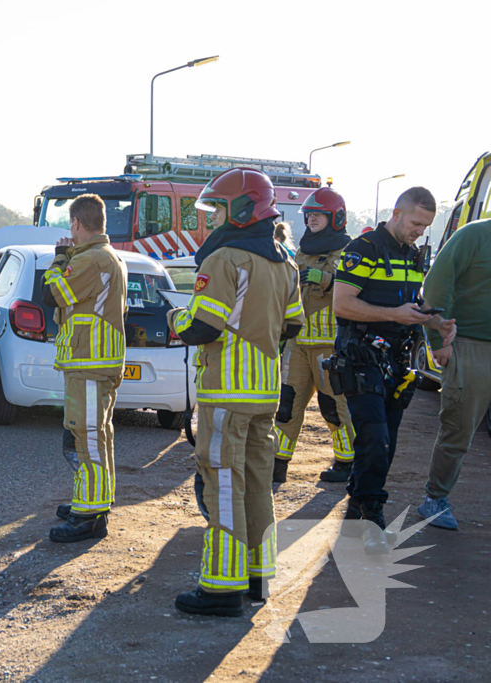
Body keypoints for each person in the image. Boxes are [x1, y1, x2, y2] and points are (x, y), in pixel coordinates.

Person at [167, 168, 304, 617]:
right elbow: (295, 324)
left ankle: (222, 588)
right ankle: (257, 576)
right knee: (257, 483)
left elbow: (202, 325)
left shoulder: (224, 258)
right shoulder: (286, 260)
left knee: (224, 484)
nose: (213, 219)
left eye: (219, 209)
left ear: (243, 209)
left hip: (227, 391)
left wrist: (175, 322)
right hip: (265, 389)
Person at [329, 187, 456, 554]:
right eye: (416, 223)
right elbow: (343, 305)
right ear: (397, 213)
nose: (420, 231)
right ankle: (372, 520)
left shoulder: (412, 255)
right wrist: (393, 315)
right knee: (375, 439)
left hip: (396, 363)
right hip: (361, 358)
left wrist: (437, 322)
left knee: (387, 443)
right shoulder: (363, 249)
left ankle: (355, 515)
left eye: (426, 226)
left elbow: (412, 302)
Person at [41, 194, 128, 543]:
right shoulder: (105, 256)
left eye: (71, 226)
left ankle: (89, 516)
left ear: (77, 223)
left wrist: (60, 258)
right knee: (97, 434)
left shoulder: (91, 259)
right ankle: (94, 500)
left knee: (87, 436)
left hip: (90, 362)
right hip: (95, 361)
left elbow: (52, 293)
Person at [272, 188, 356, 484]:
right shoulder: (302, 251)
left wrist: (328, 279)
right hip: (297, 344)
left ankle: (346, 463)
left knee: (334, 407)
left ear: (336, 218)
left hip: (329, 346)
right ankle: (277, 462)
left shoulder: (348, 250)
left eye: (318, 215)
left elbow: (355, 289)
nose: (311, 220)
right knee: (286, 406)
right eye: (309, 216)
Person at [416, 217, 491, 530]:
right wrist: (437, 339)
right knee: (459, 428)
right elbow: (436, 284)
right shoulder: (474, 235)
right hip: (471, 344)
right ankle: (436, 498)